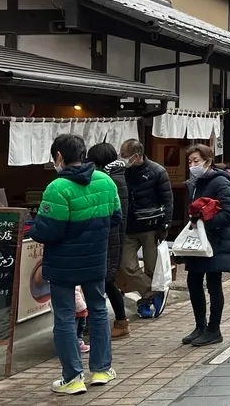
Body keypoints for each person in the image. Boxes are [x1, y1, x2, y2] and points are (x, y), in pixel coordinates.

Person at [30, 133, 121, 395]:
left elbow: (49, 231)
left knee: (65, 316)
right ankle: (102, 370)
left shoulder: (57, 188)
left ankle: (73, 378)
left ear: (59, 157)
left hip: (62, 263)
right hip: (95, 258)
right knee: (99, 310)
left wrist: (37, 228)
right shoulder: (105, 181)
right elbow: (116, 217)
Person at [180, 144, 230, 347]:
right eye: (190, 162)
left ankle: (214, 329)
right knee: (193, 282)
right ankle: (200, 326)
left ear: (208, 160)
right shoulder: (195, 182)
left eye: (196, 161)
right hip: (198, 242)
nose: (192, 165)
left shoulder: (220, 182)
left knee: (213, 284)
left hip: (216, 241)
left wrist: (205, 223)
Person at [118, 139, 173, 319]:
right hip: (127, 227)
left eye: (125, 156)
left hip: (151, 226)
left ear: (137, 155)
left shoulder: (157, 171)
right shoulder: (120, 171)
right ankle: (153, 293)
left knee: (151, 268)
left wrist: (166, 224)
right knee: (127, 266)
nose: (122, 159)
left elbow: (167, 199)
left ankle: (144, 304)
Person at [86, 142, 130, 339]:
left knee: (106, 280)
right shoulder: (116, 175)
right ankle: (118, 321)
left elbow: (113, 211)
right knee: (107, 280)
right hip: (113, 233)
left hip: (111, 234)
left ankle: (114, 322)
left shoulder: (111, 179)